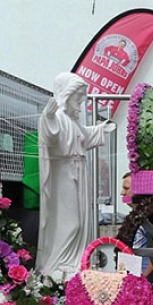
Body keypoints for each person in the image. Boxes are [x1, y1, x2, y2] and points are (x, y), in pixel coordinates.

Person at [35, 72, 116, 277]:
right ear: (66, 95)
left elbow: (83, 137)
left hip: (79, 172)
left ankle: (74, 261)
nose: (81, 101)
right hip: (64, 174)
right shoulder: (58, 118)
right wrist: (48, 116)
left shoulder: (72, 120)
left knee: (82, 219)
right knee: (71, 221)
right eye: (78, 97)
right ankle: (58, 264)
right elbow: (50, 136)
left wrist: (101, 130)